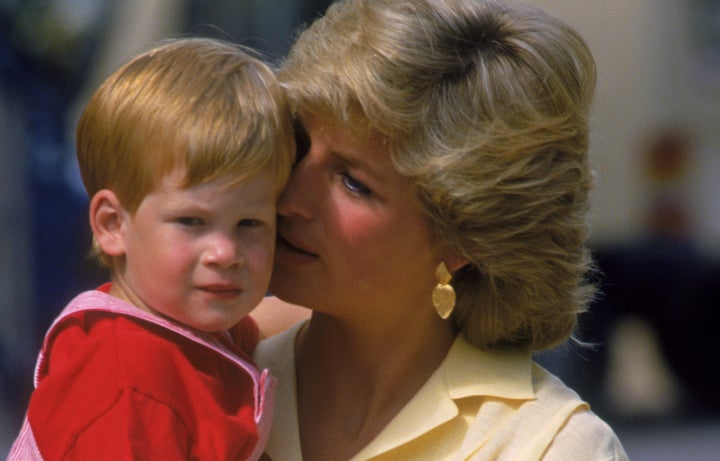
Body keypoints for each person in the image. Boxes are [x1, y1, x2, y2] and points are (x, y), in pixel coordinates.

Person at [251, 0, 629, 459]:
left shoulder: (548, 446)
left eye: (353, 182)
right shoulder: (214, 369)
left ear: (464, 236)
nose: (289, 198)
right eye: (300, 142)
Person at [9, 37, 295, 460]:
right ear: (112, 225)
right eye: (191, 222)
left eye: (249, 223)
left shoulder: (183, 324)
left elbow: (277, 323)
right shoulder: (126, 383)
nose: (225, 252)